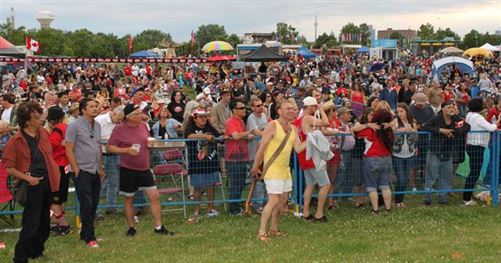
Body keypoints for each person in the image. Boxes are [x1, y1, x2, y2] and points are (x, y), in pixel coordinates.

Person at [3, 101, 61, 262]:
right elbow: (9, 167)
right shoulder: (16, 141)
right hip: (31, 185)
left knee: (44, 223)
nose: (41, 119)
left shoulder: (43, 133)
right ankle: (20, 257)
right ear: (27, 121)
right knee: (31, 224)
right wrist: (29, 178)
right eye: (36, 117)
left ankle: (36, 250)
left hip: (48, 181)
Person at [107, 104, 175, 237]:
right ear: (129, 117)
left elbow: (147, 141)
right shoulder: (119, 129)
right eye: (138, 114)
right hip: (128, 169)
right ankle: (131, 227)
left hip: (144, 168)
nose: (142, 116)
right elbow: (110, 147)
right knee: (129, 199)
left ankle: (158, 226)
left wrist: (151, 145)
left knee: (154, 196)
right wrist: (126, 150)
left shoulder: (144, 126)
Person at [251, 100, 306, 242]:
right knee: (274, 200)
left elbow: (298, 148)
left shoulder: (293, 128)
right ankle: (261, 232)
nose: (291, 111)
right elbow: (262, 147)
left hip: (285, 170)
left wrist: (312, 137)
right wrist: (255, 166)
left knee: (282, 202)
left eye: (293, 109)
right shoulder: (272, 125)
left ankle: (274, 229)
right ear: (279, 110)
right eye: (288, 108)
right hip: (273, 169)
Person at [65, 98, 105, 248]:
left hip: (95, 168)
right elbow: (68, 149)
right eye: (91, 106)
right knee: (86, 203)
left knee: (94, 203)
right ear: (83, 110)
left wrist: (101, 167)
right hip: (81, 170)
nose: (95, 108)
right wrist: (76, 169)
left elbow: (98, 147)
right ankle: (90, 237)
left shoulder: (98, 125)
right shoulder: (74, 126)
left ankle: (86, 233)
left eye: (96, 106)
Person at [421, 101, 470, 205]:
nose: (451, 109)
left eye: (452, 107)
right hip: (435, 151)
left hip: (448, 152)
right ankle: (427, 198)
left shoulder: (456, 118)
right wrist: (440, 130)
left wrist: (455, 132)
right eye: (449, 107)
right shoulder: (437, 118)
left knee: (446, 175)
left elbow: (467, 127)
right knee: (431, 176)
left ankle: (442, 197)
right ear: (443, 109)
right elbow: (424, 126)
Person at [293, 96, 331, 222]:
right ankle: (319, 213)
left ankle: (305, 212)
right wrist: (322, 110)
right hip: (312, 156)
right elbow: (326, 123)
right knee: (325, 184)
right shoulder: (308, 118)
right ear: (310, 106)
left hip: (303, 156)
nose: (316, 109)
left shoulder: (297, 121)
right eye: (314, 106)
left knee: (310, 184)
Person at [184, 109, 221, 221]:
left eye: (205, 116)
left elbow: (219, 137)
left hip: (211, 162)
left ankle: (210, 208)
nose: (203, 119)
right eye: (200, 117)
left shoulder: (210, 128)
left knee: (211, 186)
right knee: (197, 187)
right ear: (194, 118)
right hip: (196, 163)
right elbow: (189, 136)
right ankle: (197, 210)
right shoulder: (190, 128)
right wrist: (205, 137)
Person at [463, 98, 500, 206]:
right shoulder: (478, 117)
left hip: (471, 145)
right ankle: (467, 198)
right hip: (476, 146)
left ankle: (468, 194)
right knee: (474, 173)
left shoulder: (469, 115)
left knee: (473, 171)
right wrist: (498, 121)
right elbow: (491, 127)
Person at [356, 108, 394, 214]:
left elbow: (354, 130)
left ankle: (375, 209)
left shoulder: (370, 130)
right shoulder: (388, 129)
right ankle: (388, 208)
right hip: (386, 158)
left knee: (372, 186)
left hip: (371, 158)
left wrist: (367, 124)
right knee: (385, 186)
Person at [95, 105, 125, 214]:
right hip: (100, 155)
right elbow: (95, 139)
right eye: (119, 119)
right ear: (113, 113)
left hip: (113, 155)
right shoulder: (99, 120)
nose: (119, 121)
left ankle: (111, 207)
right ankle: (95, 210)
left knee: (113, 183)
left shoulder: (116, 124)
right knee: (98, 184)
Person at [226, 99, 254, 215]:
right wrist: (248, 133)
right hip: (234, 158)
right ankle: (233, 209)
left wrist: (247, 137)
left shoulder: (241, 122)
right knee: (235, 184)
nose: (244, 110)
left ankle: (237, 206)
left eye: (244, 108)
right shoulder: (230, 122)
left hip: (242, 156)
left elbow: (240, 137)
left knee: (241, 184)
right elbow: (236, 136)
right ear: (234, 110)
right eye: (241, 108)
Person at [47, 106, 72, 235]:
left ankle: (63, 224)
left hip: (57, 165)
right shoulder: (67, 127)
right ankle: (56, 222)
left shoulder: (57, 129)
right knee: (61, 197)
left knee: (53, 197)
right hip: (65, 164)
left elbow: (52, 145)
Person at [392, 103, 418, 207]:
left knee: (405, 179)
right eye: (398, 112)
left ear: (407, 111)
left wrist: (412, 131)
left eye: (401, 111)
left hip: (410, 154)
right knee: (401, 179)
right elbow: (392, 132)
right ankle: (397, 201)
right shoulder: (395, 122)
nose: (400, 114)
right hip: (397, 154)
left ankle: (400, 200)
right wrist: (402, 130)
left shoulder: (413, 122)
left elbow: (416, 137)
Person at [247, 98, 269, 213]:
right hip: (254, 152)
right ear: (252, 108)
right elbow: (257, 132)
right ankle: (257, 204)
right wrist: (268, 134)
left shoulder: (264, 116)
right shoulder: (251, 118)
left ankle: (266, 203)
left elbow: (267, 128)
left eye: (261, 105)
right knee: (257, 179)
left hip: (264, 151)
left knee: (265, 178)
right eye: (257, 106)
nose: (260, 107)